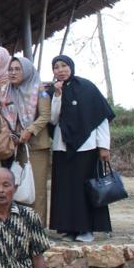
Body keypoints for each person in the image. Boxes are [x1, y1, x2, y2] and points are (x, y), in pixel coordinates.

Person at [49, 55, 115, 243]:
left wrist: (104, 146)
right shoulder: (54, 90)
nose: (60, 70)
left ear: (71, 67)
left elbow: (101, 117)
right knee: (66, 190)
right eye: (56, 67)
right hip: (62, 146)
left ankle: (87, 229)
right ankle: (70, 228)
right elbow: (53, 119)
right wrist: (58, 96)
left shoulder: (87, 87)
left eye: (64, 66)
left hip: (86, 146)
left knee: (85, 189)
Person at [0, 56, 52, 222]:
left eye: (17, 69)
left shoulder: (39, 90)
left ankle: (38, 227)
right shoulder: (7, 91)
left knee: (36, 188)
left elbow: (45, 116)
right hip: (17, 146)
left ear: (27, 71)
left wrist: (30, 130)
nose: (13, 73)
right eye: (11, 69)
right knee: (20, 188)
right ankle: (22, 226)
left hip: (36, 146)